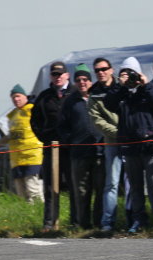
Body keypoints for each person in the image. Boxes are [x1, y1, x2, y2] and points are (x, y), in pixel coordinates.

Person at [104, 56, 153, 231]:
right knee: (135, 187)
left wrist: (145, 85)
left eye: (132, 73)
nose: (130, 77)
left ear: (139, 73)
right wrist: (120, 86)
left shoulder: (148, 88)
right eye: (125, 73)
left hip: (150, 144)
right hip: (129, 146)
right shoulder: (121, 93)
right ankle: (139, 220)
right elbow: (109, 103)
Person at [30, 61, 75, 231]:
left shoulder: (75, 93)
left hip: (71, 148)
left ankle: (76, 222)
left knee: (73, 185)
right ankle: (49, 223)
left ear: (67, 75)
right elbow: (34, 121)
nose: (57, 77)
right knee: (49, 187)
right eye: (54, 74)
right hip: (51, 148)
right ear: (50, 76)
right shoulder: (44, 96)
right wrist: (45, 138)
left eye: (60, 74)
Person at [59, 64, 103, 230]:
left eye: (85, 79)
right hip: (78, 153)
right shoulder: (70, 101)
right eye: (78, 80)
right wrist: (70, 141)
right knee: (82, 190)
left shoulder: (99, 96)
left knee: (100, 189)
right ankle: (83, 224)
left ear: (90, 81)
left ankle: (99, 223)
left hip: (99, 151)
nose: (82, 82)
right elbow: (62, 126)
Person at [88, 57, 121, 230]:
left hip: (133, 141)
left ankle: (135, 220)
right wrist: (119, 133)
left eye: (104, 69)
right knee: (112, 183)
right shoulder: (94, 94)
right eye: (97, 70)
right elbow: (97, 121)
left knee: (133, 183)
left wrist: (130, 131)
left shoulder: (123, 85)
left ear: (111, 69)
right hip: (112, 142)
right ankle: (107, 222)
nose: (101, 73)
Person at [5, 86, 43, 204]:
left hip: (32, 157)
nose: (16, 99)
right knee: (21, 194)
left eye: (18, 96)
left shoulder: (33, 109)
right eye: (13, 97)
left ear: (25, 96)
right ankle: (27, 213)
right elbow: (11, 135)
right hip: (16, 159)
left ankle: (39, 211)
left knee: (33, 190)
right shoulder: (12, 115)